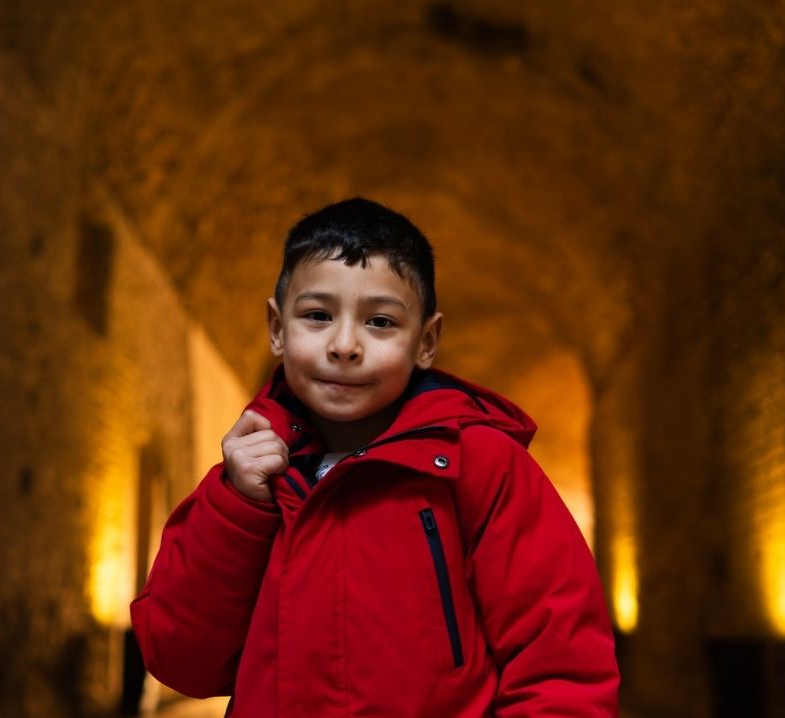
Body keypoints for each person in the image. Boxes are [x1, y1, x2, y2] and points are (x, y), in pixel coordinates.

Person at [130, 197, 620, 716]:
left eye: (380, 322)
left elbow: (562, 662)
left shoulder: (480, 465)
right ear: (277, 329)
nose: (344, 344)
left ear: (426, 341)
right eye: (317, 316)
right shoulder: (249, 480)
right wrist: (238, 509)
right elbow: (181, 659)